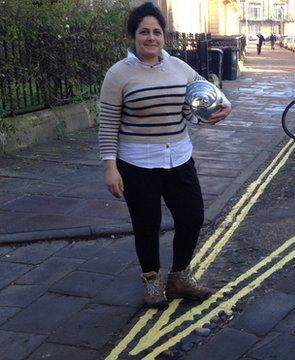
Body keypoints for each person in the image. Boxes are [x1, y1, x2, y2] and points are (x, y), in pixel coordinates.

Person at [98, 2, 232, 308]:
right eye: (144, 31)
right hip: (136, 163)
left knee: (193, 216)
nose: (151, 37)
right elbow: (107, 125)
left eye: (157, 32)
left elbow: (206, 92)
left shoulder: (179, 67)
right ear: (132, 36)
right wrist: (110, 167)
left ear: (164, 36)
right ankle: (151, 280)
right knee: (147, 225)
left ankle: (179, 278)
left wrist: (224, 106)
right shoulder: (118, 75)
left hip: (180, 158)